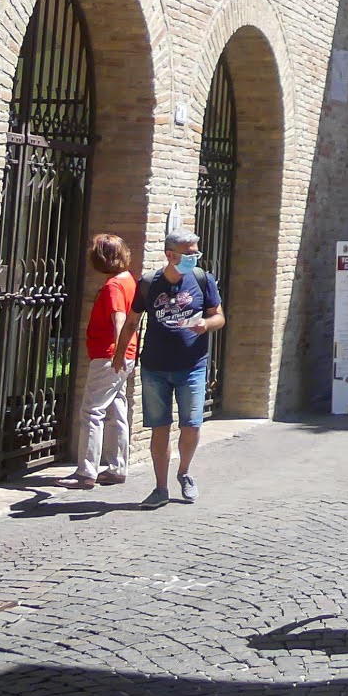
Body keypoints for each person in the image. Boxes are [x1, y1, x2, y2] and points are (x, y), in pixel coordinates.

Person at [112, 215, 222, 507]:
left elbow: (219, 316)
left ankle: (184, 473)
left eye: (196, 253)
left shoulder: (202, 279)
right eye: (189, 254)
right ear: (170, 255)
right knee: (159, 427)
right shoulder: (149, 283)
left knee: (192, 424)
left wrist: (205, 326)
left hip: (193, 365)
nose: (194, 258)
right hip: (155, 367)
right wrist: (120, 354)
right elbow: (132, 321)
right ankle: (160, 487)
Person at [69, 233, 136, 489]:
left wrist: (117, 354)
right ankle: (118, 467)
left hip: (110, 356)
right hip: (125, 354)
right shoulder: (128, 280)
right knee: (117, 408)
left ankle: (86, 472)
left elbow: (119, 318)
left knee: (92, 411)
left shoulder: (113, 286)